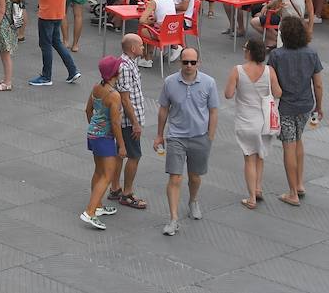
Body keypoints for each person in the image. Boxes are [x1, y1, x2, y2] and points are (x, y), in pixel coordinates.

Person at [154, 46, 219, 236]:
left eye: (192, 62)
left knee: (195, 177)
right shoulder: (170, 82)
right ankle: (173, 219)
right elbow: (163, 109)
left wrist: (210, 136)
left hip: (200, 136)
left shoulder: (209, 83)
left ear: (198, 62)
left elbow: (213, 111)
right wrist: (159, 135)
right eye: (185, 62)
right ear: (180, 62)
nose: (189, 65)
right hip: (176, 137)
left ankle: (193, 200)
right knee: (175, 177)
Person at [268, 16, 324, 207]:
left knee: (288, 146)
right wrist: (319, 106)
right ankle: (299, 184)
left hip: (286, 106)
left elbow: (271, 82)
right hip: (306, 105)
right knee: (299, 139)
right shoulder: (311, 53)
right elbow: (318, 84)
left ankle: (292, 193)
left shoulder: (276, 55)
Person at [224, 39, 281, 209]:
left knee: (249, 158)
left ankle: (251, 198)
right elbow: (278, 92)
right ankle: (258, 188)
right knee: (260, 155)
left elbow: (228, 94)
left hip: (246, 120)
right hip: (264, 121)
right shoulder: (269, 71)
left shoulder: (237, 70)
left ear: (249, 52)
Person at [81, 56, 127, 231]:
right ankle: (90, 211)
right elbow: (115, 122)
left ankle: (98, 205)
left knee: (99, 171)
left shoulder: (96, 88)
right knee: (108, 175)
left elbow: (88, 110)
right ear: (115, 73)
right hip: (105, 138)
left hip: (93, 135)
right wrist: (121, 145)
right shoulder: (114, 96)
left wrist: (94, 128)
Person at [29, 0, 80, 86]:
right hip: (58, 12)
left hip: (47, 13)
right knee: (56, 42)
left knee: (45, 45)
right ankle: (72, 70)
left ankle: (46, 76)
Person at [109, 34, 148, 210]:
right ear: (133, 48)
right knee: (134, 156)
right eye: (141, 45)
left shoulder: (129, 63)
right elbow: (125, 99)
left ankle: (115, 188)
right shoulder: (125, 67)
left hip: (126, 120)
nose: (143, 48)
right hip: (128, 121)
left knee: (120, 154)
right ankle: (127, 193)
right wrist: (135, 123)